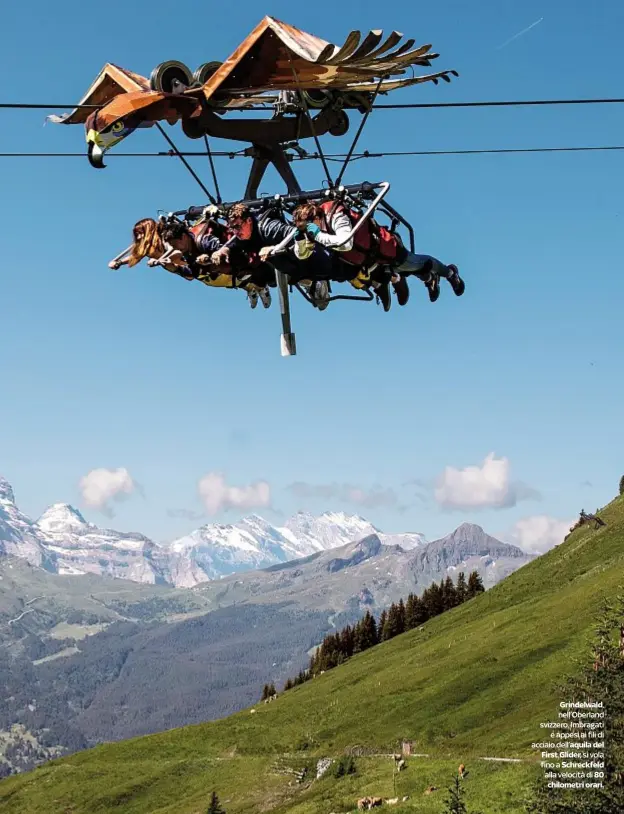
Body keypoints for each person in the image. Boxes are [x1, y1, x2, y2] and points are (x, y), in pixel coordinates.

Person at [292, 201, 410, 312]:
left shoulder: (332, 217)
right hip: (345, 256)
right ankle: (379, 284)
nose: (306, 230)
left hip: (360, 250)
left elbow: (345, 242)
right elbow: (302, 255)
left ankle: (395, 279)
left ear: (316, 219)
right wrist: (300, 241)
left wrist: (318, 235)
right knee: (349, 275)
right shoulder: (311, 231)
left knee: (366, 269)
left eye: (306, 227)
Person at [211, 203, 333, 310]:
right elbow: (235, 244)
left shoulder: (269, 228)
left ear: (248, 221)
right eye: (232, 228)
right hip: (289, 267)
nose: (235, 232)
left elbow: (296, 236)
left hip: (314, 260)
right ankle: (262, 285)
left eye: (237, 227)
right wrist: (223, 250)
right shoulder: (243, 234)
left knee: (273, 257)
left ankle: (314, 282)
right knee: (249, 261)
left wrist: (274, 249)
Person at [160, 216, 273, 309]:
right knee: (214, 276)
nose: (175, 248)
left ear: (183, 237)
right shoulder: (187, 250)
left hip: (245, 255)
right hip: (235, 270)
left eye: (175, 245)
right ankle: (254, 286)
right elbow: (195, 272)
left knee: (266, 277)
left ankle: (261, 286)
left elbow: (226, 251)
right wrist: (174, 268)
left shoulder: (203, 240)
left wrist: (208, 259)